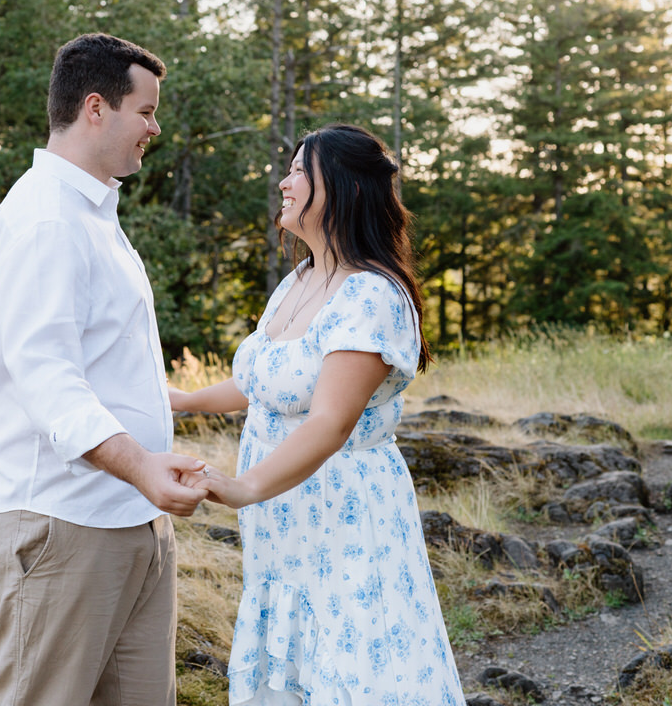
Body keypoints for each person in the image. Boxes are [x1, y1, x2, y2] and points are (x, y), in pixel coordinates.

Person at [171, 123, 466, 706]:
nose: (284, 182)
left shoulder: (371, 295)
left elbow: (330, 421)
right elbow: (265, 382)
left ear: (344, 187)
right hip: (286, 524)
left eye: (299, 170)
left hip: (345, 516)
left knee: (353, 666)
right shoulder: (300, 280)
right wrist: (182, 401)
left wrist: (244, 486)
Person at [0, 32, 209, 706]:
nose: (154, 129)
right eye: (147, 111)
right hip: (60, 526)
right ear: (96, 108)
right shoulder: (46, 219)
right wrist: (143, 467)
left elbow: (100, 363)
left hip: (129, 521)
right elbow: (46, 379)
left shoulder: (93, 213)